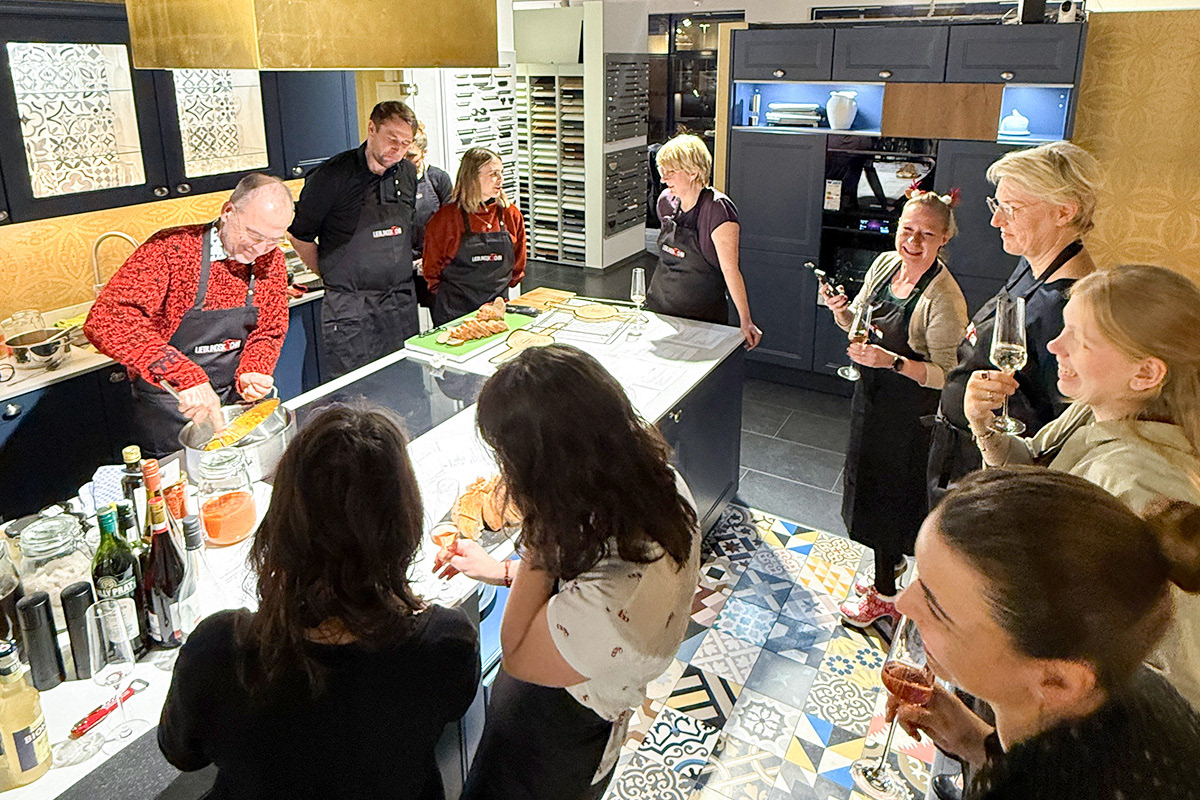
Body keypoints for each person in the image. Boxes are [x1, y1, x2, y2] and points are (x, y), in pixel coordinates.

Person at [158, 403, 480, 799]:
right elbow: (451, 705)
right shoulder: (446, 641)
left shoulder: (219, 651)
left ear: (281, 522)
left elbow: (181, 752)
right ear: (403, 526)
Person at [435, 345, 700, 800]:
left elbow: (517, 650)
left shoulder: (610, 605)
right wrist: (503, 570)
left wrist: (541, 521)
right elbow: (584, 569)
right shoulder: (659, 486)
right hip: (575, 702)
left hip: (555, 744)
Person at [964, 264, 1200, 708]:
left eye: (1080, 340)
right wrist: (986, 427)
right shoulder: (1097, 408)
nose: (1055, 346)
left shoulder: (1142, 486)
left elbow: (1182, 678)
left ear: (1146, 373)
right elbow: (1035, 468)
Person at [889, 467, 1200, 800]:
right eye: (920, 577)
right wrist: (972, 740)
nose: (902, 602)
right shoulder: (1120, 680)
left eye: (937, 608)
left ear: (1056, 681)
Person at [820, 188, 968, 627]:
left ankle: (885, 596)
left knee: (889, 499)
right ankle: (891, 564)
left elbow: (948, 374)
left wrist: (894, 362)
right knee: (865, 485)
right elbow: (860, 325)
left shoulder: (944, 299)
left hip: (910, 416)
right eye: (907, 229)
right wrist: (841, 312)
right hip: (872, 399)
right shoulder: (885, 266)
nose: (913, 241)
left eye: (927, 234)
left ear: (944, 238)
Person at [927, 141, 1100, 505]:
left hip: (995, 477)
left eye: (1012, 209)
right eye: (998, 205)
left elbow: (1061, 433)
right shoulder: (1032, 263)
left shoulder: (1066, 307)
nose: (996, 221)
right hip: (962, 447)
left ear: (1064, 212)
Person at [85, 174, 293, 457]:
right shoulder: (171, 250)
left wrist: (255, 368)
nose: (259, 250)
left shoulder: (272, 259)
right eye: (253, 235)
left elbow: (269, 328)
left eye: (272, 240)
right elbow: (106, 320)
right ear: (228, 212)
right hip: (170, 407)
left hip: (234, 404)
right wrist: (184, 375)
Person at [288, 101, 420, 379]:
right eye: (392, 139)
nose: (397, 149)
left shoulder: (408, 174)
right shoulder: (332, 175)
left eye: (405, 143)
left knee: (407, 386)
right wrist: (330, 272)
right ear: (371, 128)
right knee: (358, 393)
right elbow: (299, 234)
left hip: (399, 305)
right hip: (350, 310)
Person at [647, 133, 762, 348]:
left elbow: (730, 270)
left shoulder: (717, 210)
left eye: (671, 172)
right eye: (662, 171)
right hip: (660, 311)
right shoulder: (665, 202)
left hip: (702, 321)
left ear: (693, 172)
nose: (663, 179)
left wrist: (745, 320)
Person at [422, 147, 526, 326]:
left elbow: (518, 264)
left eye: (501, 172)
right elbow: (431, 269)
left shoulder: (510, 214)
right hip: (454, 313)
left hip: (496, 311)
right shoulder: (446, 218)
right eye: (493, 174)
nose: (501, 179)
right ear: (472, 177)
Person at [407, 122, 454, 266]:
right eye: (403, 155)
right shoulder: (393, 180)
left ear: (424, 152)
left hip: (433, 256)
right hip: (404, 258)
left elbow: (451, 222)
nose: (406, 161)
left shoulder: (439, 178)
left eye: (411, 156)